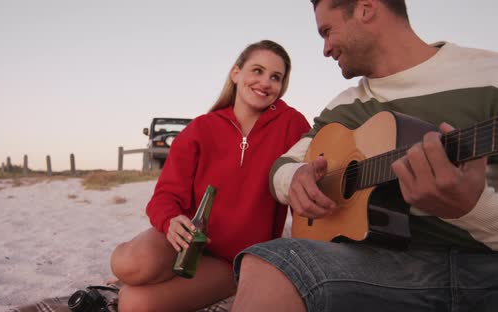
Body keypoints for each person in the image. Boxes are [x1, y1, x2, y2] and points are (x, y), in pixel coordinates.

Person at [231, 1, 498, 312]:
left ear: (366, 9)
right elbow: (283, 167)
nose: (326, 49)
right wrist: (296, 180)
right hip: (382, 269)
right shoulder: (343, 106)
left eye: (327, 32)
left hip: (486, 264)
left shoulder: (489, 75)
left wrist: (471, 210)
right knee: (269, 263)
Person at [109, 39, 311, 311]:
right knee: (130, 265)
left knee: (133, 303)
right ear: (236, 73)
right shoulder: (201, 129)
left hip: (233, 260)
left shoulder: (292, 124)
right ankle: (146, 270)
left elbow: (305, 186)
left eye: (276, 77)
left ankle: (179, 280)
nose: (265, 82)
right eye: (257, 70)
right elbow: (165, 196)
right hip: (185, 240)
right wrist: (170, 221)